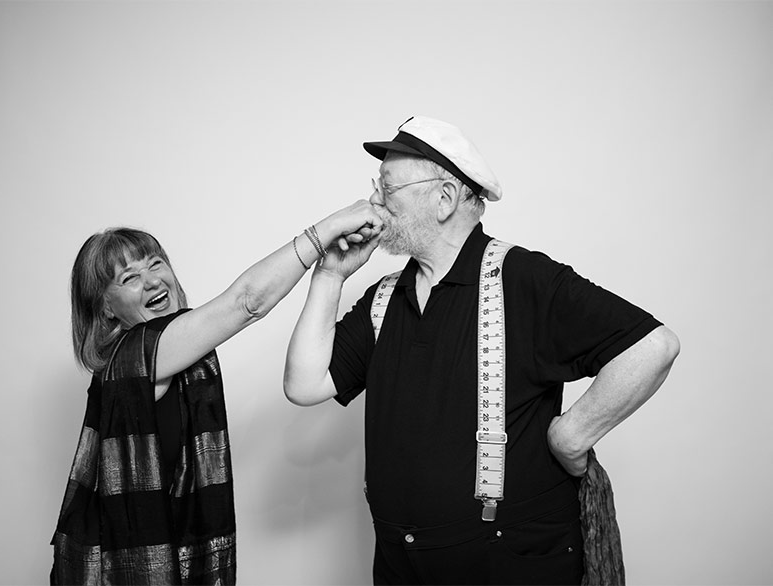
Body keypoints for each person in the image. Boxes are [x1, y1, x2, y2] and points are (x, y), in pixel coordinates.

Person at [283, 116, 680, 585]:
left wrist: (571, 436)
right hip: (401, 564)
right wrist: (330, 275)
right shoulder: (386, 297)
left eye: (387, 188)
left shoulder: (523, 279)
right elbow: (305, 385)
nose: (373, 202)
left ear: (445, 198)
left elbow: (653, 345)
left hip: (508, 564)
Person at [50, 200, 382, 585]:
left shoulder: (176, 353)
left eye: (155, 263)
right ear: (106, 308)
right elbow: (247, 302)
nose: (153, 280)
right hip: (112, 571)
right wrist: (329, 229)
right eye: (129, 278)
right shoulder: (134, 356)